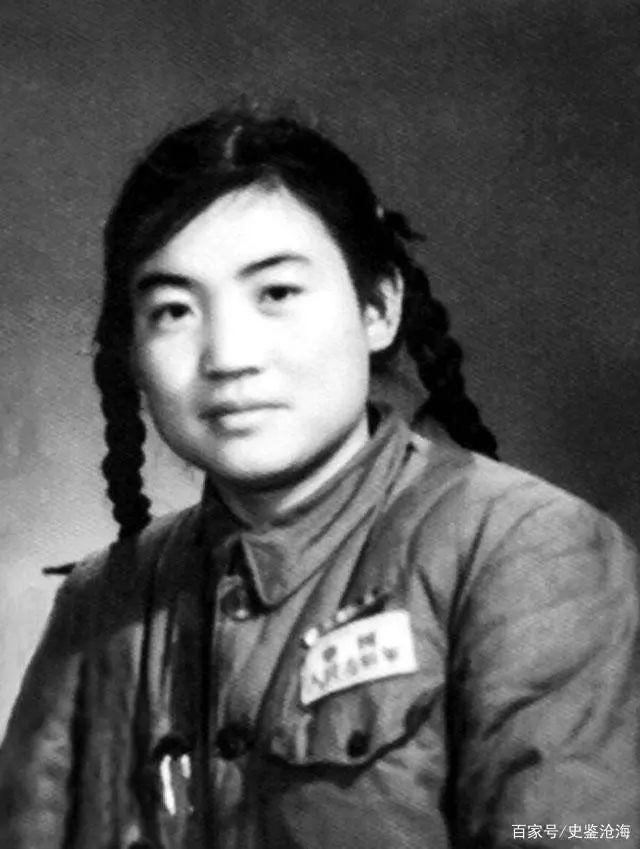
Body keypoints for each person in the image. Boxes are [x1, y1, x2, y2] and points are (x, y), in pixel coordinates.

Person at [0, 107, 638, 849]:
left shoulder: (527, 553)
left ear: (379, 308)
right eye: (173, 310)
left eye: (276, 293)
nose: (228, 356)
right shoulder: (99, 602)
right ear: (131, 354)